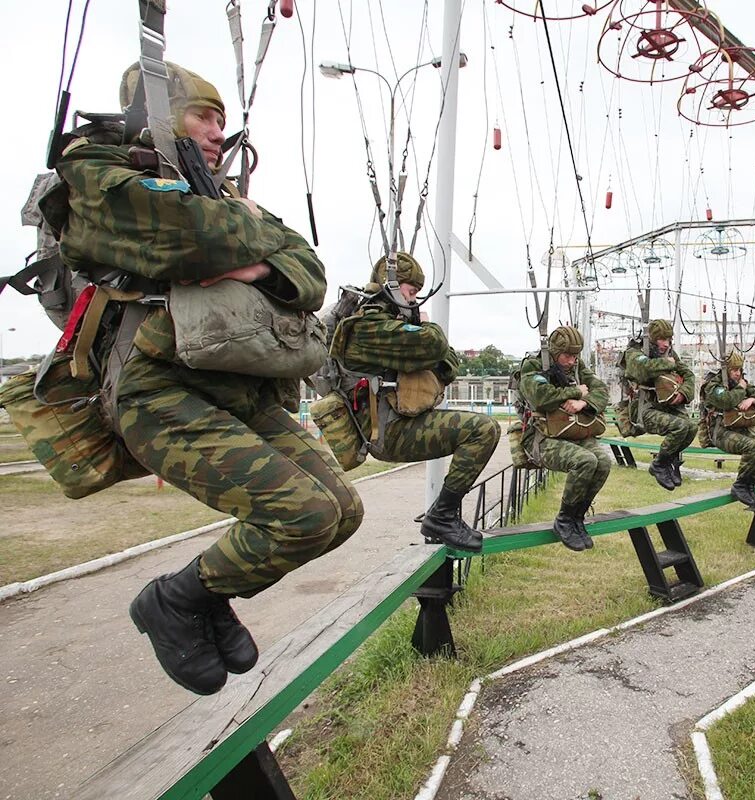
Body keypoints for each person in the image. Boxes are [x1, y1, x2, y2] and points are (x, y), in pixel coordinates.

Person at [52, 63, 364, 695]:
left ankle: (208, 594)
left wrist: (256, 266)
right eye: (204, 116)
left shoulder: (216, 193)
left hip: (236, 387)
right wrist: (260, 240)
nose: (218, 133)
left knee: (344, 511)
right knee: (300, 515)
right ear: (161, 115)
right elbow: (186, 238)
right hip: (157, 391)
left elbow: (309, 274)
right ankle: (173, 602)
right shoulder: (98, 178)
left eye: (223, 121)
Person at [327, 252, 501, 552]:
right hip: (387, 433)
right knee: (482, 430)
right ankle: (442, 516)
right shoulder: (365, 328)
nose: (414, 301)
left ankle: (443, 515)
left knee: (485, 429)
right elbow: (435, 345)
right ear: (391, 288)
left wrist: (423, 337)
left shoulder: (392, 324)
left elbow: (450, 363)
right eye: (411, 293)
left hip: (403, 422)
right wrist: (425, 325)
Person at [517, 326, 612, 551]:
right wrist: (576, 392)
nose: (572, 361)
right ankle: (564, 519)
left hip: (574, 431)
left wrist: (585, 403)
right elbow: (541, 397)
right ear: (554, 352)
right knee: (585, 461)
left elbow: (601, 390)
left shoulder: (577, 367)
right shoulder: (533, 366)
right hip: (542, 438)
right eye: (567, 356)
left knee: (604, 462)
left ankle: (576, 517)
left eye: (575, 355)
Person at [621, 319, 697, 490]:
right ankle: (659, 465)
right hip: (644, 409)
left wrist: (682, 393)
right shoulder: (634, 352)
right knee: (679, 427)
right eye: (662, 339)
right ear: (652, 339)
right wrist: (667, 363)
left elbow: (689, 375)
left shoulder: (670, 353)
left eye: (669, 339)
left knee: (691, 427)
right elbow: (642, 368)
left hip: (665, 406)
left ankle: (668, 461)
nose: (666, 344)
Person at [701, 350, 755, 508]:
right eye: (734, 370)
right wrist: (741, 389)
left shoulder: (742, 382)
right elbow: (725, 401)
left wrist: (752, 398)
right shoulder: (713, 385)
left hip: (739, 430)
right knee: (753, 447)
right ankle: (740, 485)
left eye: (739, 370)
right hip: (720, 433)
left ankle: (749, 485)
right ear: (726, 370)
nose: (738, 373)